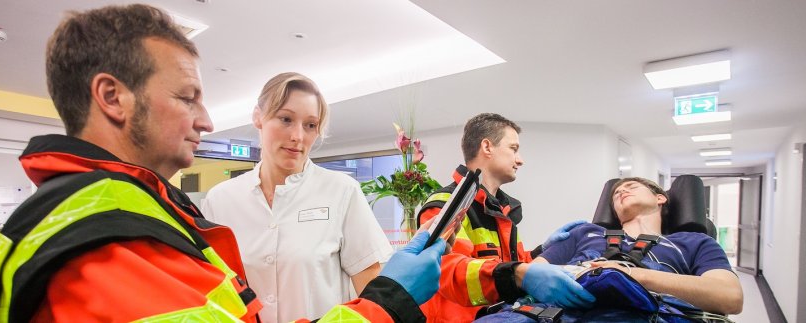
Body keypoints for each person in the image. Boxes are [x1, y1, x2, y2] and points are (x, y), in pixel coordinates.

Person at [0, 4, 446, 322]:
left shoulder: (140, 214)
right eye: (187, 97)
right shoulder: (111, 241)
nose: (208, 120)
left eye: (312, 125)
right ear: (112, 97)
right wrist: (389, 304)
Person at [201, 72, 394, 322]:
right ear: (258, 117)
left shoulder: (341, 191)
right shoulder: (220, 201)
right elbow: (212, 294)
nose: (298, 136)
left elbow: (371, 294)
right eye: (285, 119)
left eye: (310, 125)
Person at [417, 113, 594, 322]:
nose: (520, 160)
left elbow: (508, 265)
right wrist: (519, 275)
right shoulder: (446, 205)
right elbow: (451, 273)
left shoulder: (502, 210)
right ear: (487, 147)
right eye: (513, 149)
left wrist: (542, 251)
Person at [534, 177, 743, 314]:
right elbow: (533, 272)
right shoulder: (584, 232)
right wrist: (587, 273)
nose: (622, 191)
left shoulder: (694, 242)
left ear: (660, 198)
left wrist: (628, 274)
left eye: (632, 187)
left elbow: (730, 297)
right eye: (616, 194)